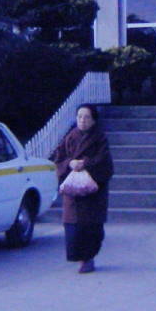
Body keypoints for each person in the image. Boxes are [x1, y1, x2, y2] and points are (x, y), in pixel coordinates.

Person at [49, 104, 114, 273]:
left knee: (91, 227)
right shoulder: (70, 137)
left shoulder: (99, 138)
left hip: (92, 191)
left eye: (86, 117)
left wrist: (85, 164)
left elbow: (105, 163)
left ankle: (88, 259)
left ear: (93, 120)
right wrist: (70, 163)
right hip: (73, 190)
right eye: (79, 117)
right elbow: (59, 158)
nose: (82, 121)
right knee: (73, 226)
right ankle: (79, 257)